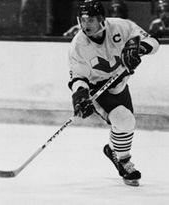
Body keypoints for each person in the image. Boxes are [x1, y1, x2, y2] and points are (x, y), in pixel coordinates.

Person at [68, 0, 159, 186]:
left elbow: (154, 42)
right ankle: (124, 161)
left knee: (126, 125)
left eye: (91, 20)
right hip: (96, 89)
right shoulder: (78, 45)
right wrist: (80, 97)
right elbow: (78, 77)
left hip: (120, 84)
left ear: (102, 19)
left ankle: (113, 150)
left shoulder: (121, 26)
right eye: (82, 20)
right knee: (125, 120)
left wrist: (139, 48)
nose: (86, 25)